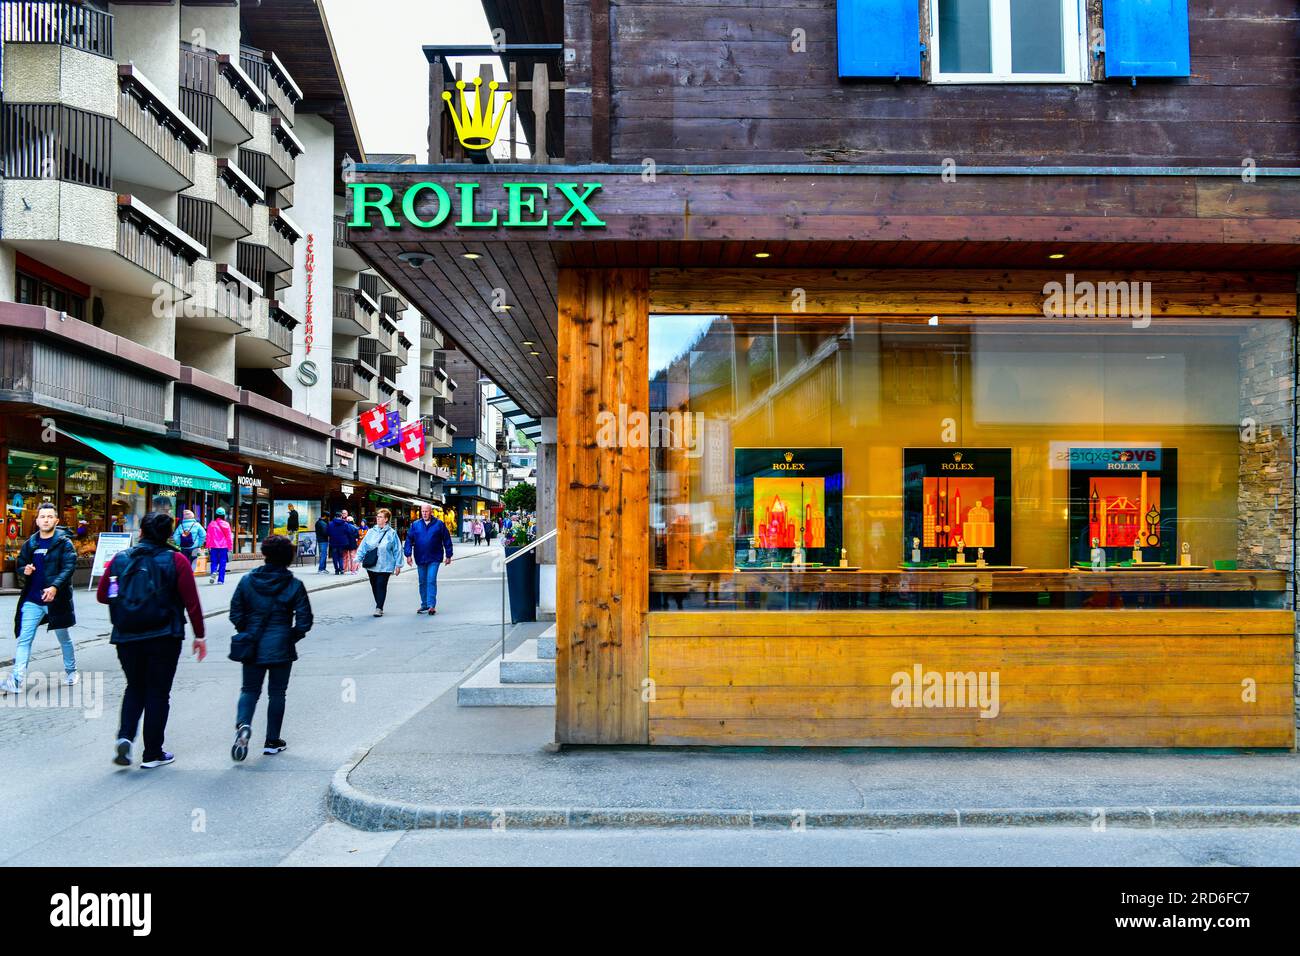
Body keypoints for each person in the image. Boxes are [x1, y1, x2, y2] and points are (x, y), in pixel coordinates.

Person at [98, 512, 206, 769]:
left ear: (142, 532)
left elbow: (104, 595)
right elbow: (191, 603)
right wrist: (199, 635)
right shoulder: (176, 560)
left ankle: (125, 737)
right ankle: (153, 752)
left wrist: (125, 597)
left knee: (134, 688)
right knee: (158, 692)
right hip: (164, 635)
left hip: (126, 636)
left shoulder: (120, 559)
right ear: (169, 534)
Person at [229, 535, 313, 761]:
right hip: (281, 645)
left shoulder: (247, 580)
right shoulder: (294, 584)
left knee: (249, 690)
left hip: (253, 644)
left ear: (264, 554)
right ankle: (272, 741)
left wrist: (247, 629)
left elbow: (235, 612)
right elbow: (305, 621)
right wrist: (291, 636)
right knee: (277, 693)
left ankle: (243, 725)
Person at [2, 503, 78, 693]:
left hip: (56, 600)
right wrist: (24, 570)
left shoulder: (64, 543)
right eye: (42, 517)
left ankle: (71, 671)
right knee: (24, 639)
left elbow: (69, 568)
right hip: (32, 600)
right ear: (37, 520)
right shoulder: (31, 543)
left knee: (64, 638)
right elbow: (20, 564)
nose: (46, 520)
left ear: (56, 520)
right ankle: (17, 681)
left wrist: (54, 587)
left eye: (49, 516)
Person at [404, 503, 454, 615]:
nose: (424, 513)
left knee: (431, 580)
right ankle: (424, 604)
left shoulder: (439, 524)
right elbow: (408, 540)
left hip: (435, 557)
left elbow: (446, 540)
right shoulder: (415, 525)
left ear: (431, 512)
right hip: (420, 557)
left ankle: (431, 605)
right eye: (423, 511)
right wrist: (408, 555)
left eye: (426, 511)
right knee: (422, 581)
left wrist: (448, 555)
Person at [355, 508, 403, 616]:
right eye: (377, 516)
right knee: (374, 586)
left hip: (386, 565)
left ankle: (379, 607)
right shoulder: (371, 532)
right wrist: (358, 559)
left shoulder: (392, 533)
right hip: (372, 564)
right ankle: (379, 603)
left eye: (380, 517)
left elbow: (397, 549)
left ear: (386, 519)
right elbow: (363, 546)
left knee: (381, 585)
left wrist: (398, 565)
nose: (377, 518)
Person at [205, 507, 233, 585]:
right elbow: (229, 537)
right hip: (224, 547)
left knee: (214, 562)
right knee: (222, 563)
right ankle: (220, 580)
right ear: (224, 515)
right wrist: (230, 547)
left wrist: (207, 546)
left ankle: (213, 572)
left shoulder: (212, 524)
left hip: (213, 546)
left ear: (216, 515)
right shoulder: (226, 524)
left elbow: (208, 536)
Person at [326, 510, 352, 575]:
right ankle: (342, 569)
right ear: (341, 516)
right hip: (342, 542)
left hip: (333, 542)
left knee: (334, 556)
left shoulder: (330, 523)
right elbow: (348, 532)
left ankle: (336, 570)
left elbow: (327, 532)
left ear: (335, 516)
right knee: (341, 556)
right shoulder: (345, 524)